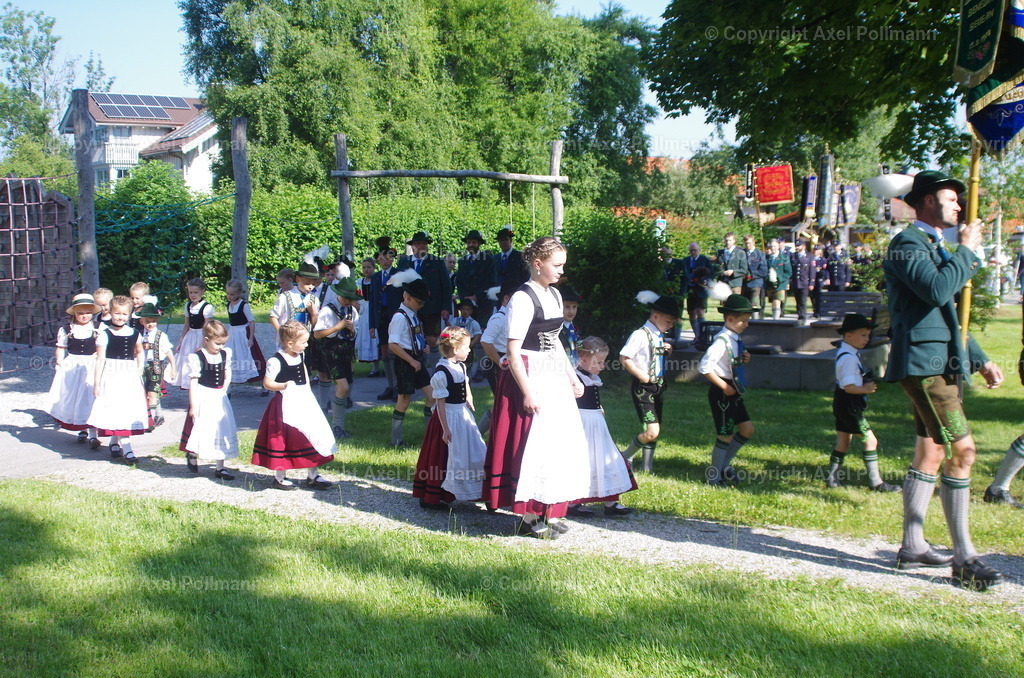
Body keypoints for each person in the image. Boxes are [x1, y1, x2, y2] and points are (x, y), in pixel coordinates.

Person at [884, 169, 1005, 590]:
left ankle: (913, 547)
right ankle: (965, 558)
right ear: (929, 201)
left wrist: (979, 358)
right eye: (952, 198)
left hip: (940, 360)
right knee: (964, 452)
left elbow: (947, 316)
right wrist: (967, 252)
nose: (959, 206)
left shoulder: (934, 244)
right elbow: (937, 290)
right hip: (925, 366)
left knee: (933, 452)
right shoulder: (906, 245)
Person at [483, 236, 591, 539]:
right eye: (556, 265)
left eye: (562, 265)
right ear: (537, 263)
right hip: (527, 374)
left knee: (555, 442)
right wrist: (528, 390)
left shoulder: (555, 295)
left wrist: (571, 375)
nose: (560, 271)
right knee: (530, 445)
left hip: (551, 372)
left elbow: (555, 341)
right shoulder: (522, 298)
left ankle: (549, 507)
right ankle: (529, 517)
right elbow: (513, 352)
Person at [252, 320, 336, 490]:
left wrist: (307, 393)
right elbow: (267, 383)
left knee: (310, 435)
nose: (306, 345)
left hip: (303, 401)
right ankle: (280, 477)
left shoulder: (300, 355)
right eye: (303, 342)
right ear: (290, 343)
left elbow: (304, 376)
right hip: (285, 405)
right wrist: (284, 385)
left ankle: (313, 475)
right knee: (283, 438)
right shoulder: (276, 361)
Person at [412, 326, 486, 509]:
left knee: (473, 450)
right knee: (443, 456)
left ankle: (475, 489)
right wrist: (445, 428)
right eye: (466, 346)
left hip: (462, 415)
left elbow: (465, 382)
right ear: (454, 348)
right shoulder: (441, 372)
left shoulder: (460, 366)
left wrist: (469, 397)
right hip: (447, 419)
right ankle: (434, 495)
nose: (469, 349)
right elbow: (441, 403)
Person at [826, 314, 900, 492]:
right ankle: (876, 482)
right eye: (862, 335)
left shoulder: (847, 353)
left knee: (843, 439)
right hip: (850, 406)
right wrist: (865, 389)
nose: (866, 339)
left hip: (842, 405)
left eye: (868, 335)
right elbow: (849, 387)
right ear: (848, 335)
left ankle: (832, 478)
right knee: (870, 440)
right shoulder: (849, 358)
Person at [568, 336, 635, 518]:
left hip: (597, 422)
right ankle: (575, 501)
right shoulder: (574, 377)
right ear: (583, 360)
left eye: (603, 362)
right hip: (584, 422)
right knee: (586, 458)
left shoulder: (593, 377)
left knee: (607, 458)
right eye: (598, 362)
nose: (602, 366)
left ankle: (611, 501)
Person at [619, 290, 680, 474]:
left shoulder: (658, 334)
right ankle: (625, 456)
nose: (670, 326)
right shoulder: (640, 334)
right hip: (643, 388)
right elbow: (624, 357)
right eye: (668, 322)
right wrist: (642, 376)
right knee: (651, 431)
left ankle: (647, 467)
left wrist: (666, 349)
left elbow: (653, 353)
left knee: (655, 429)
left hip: (658, 387)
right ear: (656, 315)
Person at [699, 294, 755, 485]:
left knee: (747, 429)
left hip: (734, 390)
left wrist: (744, 358)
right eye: (743, 321)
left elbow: (731, 362)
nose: (746, 324)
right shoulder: (721, 341)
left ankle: (724, 465)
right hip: (722, 391)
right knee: (725, 434)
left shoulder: (735, 339)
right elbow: (704, 367)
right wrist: (724, 387)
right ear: (730, 319)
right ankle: (713, 476)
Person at [87, 295, 149, 465]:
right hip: (112, 375)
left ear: (129, 315)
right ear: (111, 313)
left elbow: (139, 352)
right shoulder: (105, 334)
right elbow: (99, 360)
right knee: (115, 409)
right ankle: (127, 449)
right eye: (117, 313)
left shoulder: (134, 333)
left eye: (124, 314)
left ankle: (117, 443)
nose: (120, 317)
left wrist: (139, 368)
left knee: (126, 409)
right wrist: (97, 383)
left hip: (128, 375)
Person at [179, 319, 238, 480]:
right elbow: (194, 382)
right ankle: (193, 452)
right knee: (203, 427)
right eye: (217, 343)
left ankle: (221, 466)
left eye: (223, 343)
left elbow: (227, 370)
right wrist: (194, 405)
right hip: (204, 395)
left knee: (222, 428)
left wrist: (225, 385)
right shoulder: (198, 357)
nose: (221, 347)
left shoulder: (225, 353)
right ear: (206, 340)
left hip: (219, 396)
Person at [386, 270, 436, 446]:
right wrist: (411, 360)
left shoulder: (413, 315)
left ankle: (430, 436)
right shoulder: (399, 317)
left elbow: (414, 337)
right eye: (419, 301)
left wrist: (424, 347)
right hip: (405, 362)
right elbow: (393, 345)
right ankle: (396, 439)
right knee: (404, 400)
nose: (421, 305)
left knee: (432, 395)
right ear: (407, 297)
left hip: (416, 359)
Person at [46, 293, 102, 445]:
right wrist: (59, 362)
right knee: (75, 397)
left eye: (87, 313)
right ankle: (81, 429)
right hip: (73, 366)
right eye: (80, 313)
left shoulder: (98, 328)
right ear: (74, 313)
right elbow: (61, 347)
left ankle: (92, 433)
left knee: (90, 397)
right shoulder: (67, 329)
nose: (84, 316)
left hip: (91, 364)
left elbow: (102, 348)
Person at [313, 276, 360, 441]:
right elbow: (317, 334)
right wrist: (337, 327)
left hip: (345, 352)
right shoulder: (327, 311)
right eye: (346, 297)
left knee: (346, 388)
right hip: (331, 352)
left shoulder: (352, 311)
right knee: (343, 386)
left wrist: (352, 331)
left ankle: (338, 426)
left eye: (351, 298)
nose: (348, 301)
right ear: (339, 295)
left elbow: (354, 336)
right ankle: (336, 425)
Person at [396, 230, 452, 346]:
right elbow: (398, 285)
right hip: (409, 307)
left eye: (424, 243)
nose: (421, 246)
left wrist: (446, 307)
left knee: (432, 339)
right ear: (412, 246)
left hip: (431, 307)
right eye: (418, 243)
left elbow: (446, 286)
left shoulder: (436, 262)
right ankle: (416, 362)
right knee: (410, 337)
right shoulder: (404, 262)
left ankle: (433, 363)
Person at [477, 280, 518, 435]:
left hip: (508, 361)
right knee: (501, 402)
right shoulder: (499, 318)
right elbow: (485, 341)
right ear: (506, 299)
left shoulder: (511, 317)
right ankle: (478, 434)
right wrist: (500, 362)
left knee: (506, 401)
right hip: (497, 363)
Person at [369, 238, 401, 400]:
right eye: (382, 258)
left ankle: (398, 386)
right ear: (378, 260)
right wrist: (372, 324)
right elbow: (372, 302)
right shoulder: (375, 277)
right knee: (384, 351)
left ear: (392, 258)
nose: (385, 260)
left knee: (394, 349)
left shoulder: (398, 275)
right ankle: (390, 385)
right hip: (381, 317)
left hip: (395, 316)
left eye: (388, 257)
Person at [138, 302, 176, 427]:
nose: (151, 324)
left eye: (153, 321)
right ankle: (158, 415)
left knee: (152, 393)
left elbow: (169, 352)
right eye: (147, 321)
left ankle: (152, 420)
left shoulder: (161, 336)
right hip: (142, 367)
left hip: (156, 367)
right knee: (145, 392)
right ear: (141, 322)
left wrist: (173, 368)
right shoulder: (139, 335)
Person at [172, 278, 214, 389]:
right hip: (190, 337)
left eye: (196, 292)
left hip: (201, 336)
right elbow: (186, 324)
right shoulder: (188, 306)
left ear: (202, 291)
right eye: (191, 292)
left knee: (199, 362)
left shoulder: (206, 307)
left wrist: (202, 344)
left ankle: (201, 386)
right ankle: (189, 387)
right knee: (187, 362)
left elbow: (207, 326)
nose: (193, 295)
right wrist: (181, 340)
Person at [224, 279, 263, 385]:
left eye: (232, 294)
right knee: (231, 355)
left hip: (243, 333)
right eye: (227, 293)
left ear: (239, 293)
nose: (229, 296)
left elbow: (252, 322)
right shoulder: (229, 305)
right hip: (233, 333)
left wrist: (250, 338)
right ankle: (230, 379)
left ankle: (261, 381)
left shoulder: (243, 305)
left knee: (249, 356)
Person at [456, 229, 497, 327]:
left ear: (479, 244)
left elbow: (491, 281)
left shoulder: (488, 259)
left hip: (483, 303)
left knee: (481, 330)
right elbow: (459, 281)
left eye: (474, 242)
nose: (471, 245)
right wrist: (464, 297)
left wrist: (477, 296)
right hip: (467, 304)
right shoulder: (462, 261)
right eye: (469, 242)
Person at [680, 242, 713, 339]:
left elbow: (711, 272)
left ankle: (703, 336)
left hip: (701, 289)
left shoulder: (704, 259)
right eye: (691, 250)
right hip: (690, 289)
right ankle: (697, 335)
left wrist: (706, 281)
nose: (693, 252)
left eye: (695, 250)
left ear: (699, 250)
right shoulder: (685, 260)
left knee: (700, 311)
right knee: (691, 312)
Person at [356, 257, 381, 374]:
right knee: (366, 336)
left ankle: (378, 366)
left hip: (375, 309)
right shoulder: (359, 282)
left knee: (376, 337)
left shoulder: (378, 280)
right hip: (363, 311)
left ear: (374, 268)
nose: (366, 270)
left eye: (369, 267)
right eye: (364, 267)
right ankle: (373, 367)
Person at [449, 298, 483, 380]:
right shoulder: (455, 320)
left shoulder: (473, 322)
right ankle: (455, 377)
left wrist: (473, 342)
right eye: (463, 309)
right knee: (455, 361)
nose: (465, 311)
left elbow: (478, 333)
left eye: (467, 310)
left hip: (468, 344)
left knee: (467, 363)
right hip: (456, 344)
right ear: (460, 310)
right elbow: (450, 328)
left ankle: (467, 379)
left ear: (471, 311)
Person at [765, 238, 792, 319]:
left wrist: (779, 278)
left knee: (777, 301)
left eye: (774, 246)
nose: (773, 248)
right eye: (771, 246)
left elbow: (788, 272)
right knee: (773, 302)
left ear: (778, 246)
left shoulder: (784, 257)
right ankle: (775, 316)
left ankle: (776, 319)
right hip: (770, 284)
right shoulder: (767, 258)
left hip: (780, 284)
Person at [742, 234, 767, 319]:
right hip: (744, 284)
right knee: (744, 306)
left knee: (754, 304)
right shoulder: (741, 253)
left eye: (749, 243)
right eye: (746, 243)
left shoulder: (760, 254)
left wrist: (751, 275)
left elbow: (764, 271)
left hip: (756, 283)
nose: (747, 245)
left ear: (753, 242)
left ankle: (755, 322)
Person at [557, 283, 581, 367]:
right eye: (567, 307)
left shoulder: (576, 327)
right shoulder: (556, 329)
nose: (571, 311)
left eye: (574, 307)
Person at [791, 239, 814, 323]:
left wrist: (811, 283)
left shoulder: (809, 256)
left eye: (798, 246)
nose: (797, 247)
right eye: (796, 246)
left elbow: (812, 271)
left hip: (804, 282)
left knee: (803, 300)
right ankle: (799, 315)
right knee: (797, 300)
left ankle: (803, 316)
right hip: (796, 282)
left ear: (803, 246)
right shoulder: (793, 256)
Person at [810, 244, 830, 318]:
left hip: (819, 279)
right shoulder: (811, 259)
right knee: (812, 296)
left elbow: (824, 271)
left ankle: (818, 311)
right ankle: (815, 310)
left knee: (818, 296)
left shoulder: (823, 260)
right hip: (811, 280)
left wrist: (818, 270)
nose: (815, 251)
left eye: (817, 250)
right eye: (815, 250)